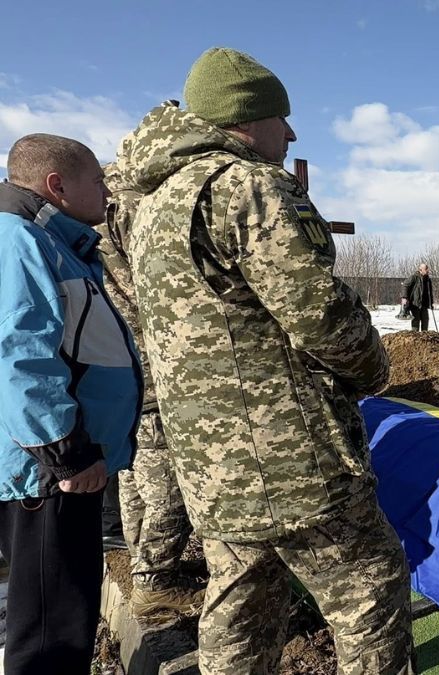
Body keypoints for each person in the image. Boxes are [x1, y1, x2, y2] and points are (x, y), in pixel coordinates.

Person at [124, 49, 412, 673]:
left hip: (209, 462)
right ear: (244, 120)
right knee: (369, 591)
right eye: (282, 118)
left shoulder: (150, 209)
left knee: (240, 601)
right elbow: (322, 317)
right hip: (292, 459)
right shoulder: (246, 187)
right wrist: (373, 372)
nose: (291, 133)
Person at [0, 134, 141, 675]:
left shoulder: (56, 243)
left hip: (59, 466)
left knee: (63, 611)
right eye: (98, 181)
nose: (107, 191)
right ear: (56, 186)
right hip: (49, 475)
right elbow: (20, 357)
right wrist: (67, 454)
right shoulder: (20, 242)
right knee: (50, 628)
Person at [100, 146, 203, 618]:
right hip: (152, 369)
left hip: (118, 371)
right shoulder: (132, 208)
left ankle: (141, 556)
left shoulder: (95, 211)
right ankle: (154, 580)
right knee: (168, 486)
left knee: (134, 473)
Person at [402, 263, 434, 331]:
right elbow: (405, 285)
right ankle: (415, 338)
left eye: (427, 269)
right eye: (426, 269)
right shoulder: (414, 277)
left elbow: (429, 292)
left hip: (424, 305)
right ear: (420, 270)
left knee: (425, 320)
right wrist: (405, 297)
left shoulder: (428, 280)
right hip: (415, 304)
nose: (427, 270)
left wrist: (431, 303)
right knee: (416, 322)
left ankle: (424, 338)